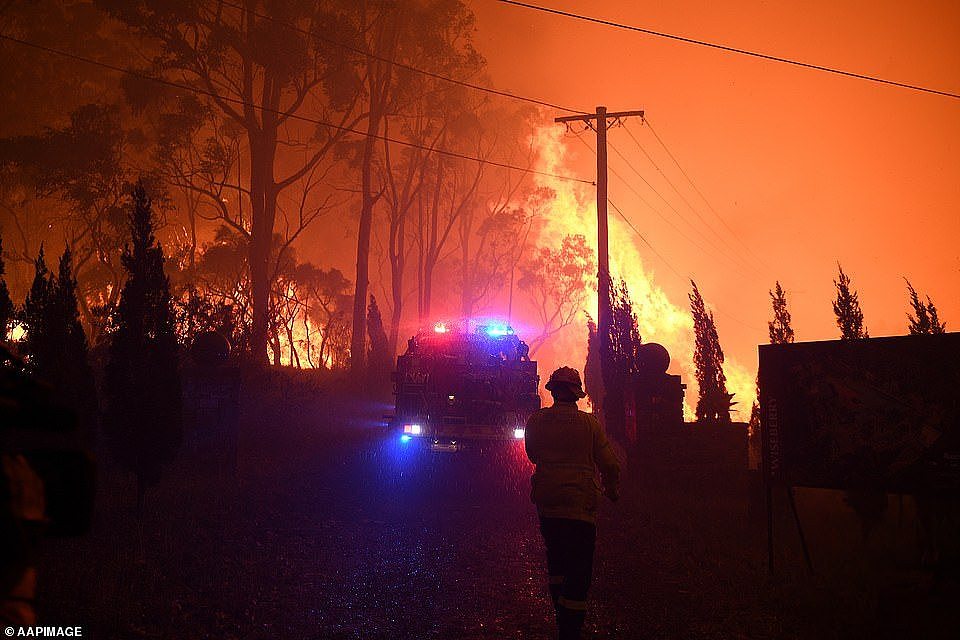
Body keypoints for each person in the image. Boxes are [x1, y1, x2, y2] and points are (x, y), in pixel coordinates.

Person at [524, 366, 621, 639]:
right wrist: (612, 489)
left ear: (553, 391)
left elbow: (532, 454)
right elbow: (609, 464)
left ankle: (559, 610)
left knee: (556, 558)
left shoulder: (536, 421)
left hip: (548, 503)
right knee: (579, 567)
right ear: (576, 394)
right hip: (580, 506)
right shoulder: (589, 424)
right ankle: (570, 629)